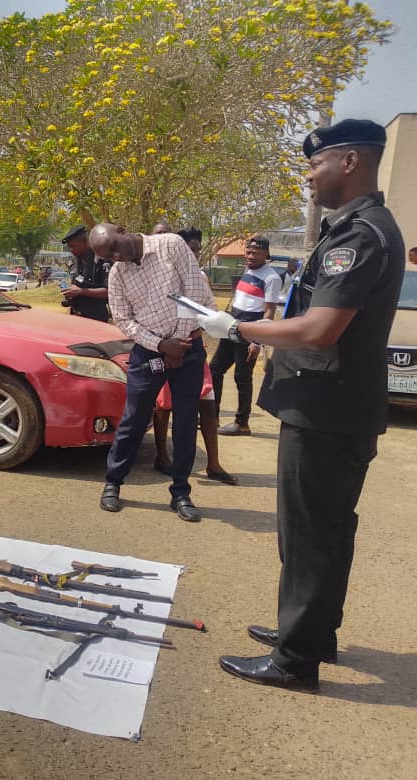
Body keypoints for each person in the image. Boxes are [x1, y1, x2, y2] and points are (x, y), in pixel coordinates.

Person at [196, 119, 405, 691]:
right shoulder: (358, 228)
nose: (309, 177)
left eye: (316, 165)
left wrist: (239, 329)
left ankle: (296, 660)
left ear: (350, 163)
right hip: (331, 407)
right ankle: (313, 635)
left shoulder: (361, 234)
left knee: (312, 534)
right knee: (324, 531)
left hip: (327, 411)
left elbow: (320, 328)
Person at [89, 223, 216, 522]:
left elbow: (195, 295)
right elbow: (124, 319)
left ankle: (181, 493)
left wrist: (178, 346)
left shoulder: (170, 245)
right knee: (133, 419)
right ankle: (113, 483)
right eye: (110, 257)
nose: (117, 257)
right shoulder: (117, 273)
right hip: (148, 352)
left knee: (185, 421)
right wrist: (160, 345)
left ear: (122, 229)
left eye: (116, 248)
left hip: (187, 347)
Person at [152, 228, 236, 485]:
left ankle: (214, 464)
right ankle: (163, 457)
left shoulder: (200, 278)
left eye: (198, 248)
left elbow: (207, 314)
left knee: (207, 406)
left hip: (195, 349)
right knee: (164, 407)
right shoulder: (161, 278)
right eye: (190, 247)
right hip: (168, 348)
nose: (194, 253)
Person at [208, 236, 281, 436]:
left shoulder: (271, 278)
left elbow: (268, 312)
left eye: (256, 253)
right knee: (214, 370)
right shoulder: (247, 270)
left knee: (242, 377)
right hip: (231, 327)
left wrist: (257, 341)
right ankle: (211, 417)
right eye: (248, 252)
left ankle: (242, 423)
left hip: (250, 332)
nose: (251, 256)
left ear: (266, 254)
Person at [59, 224, 111, 321]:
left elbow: (109, 291)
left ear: (86, 242)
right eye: (69, 247)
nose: (71, 250)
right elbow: (76, 285)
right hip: (76, 317)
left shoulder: (101, 260)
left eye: (74, 246)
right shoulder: (76, 261)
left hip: (96, 319)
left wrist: (81, 291)